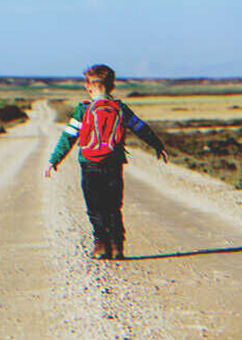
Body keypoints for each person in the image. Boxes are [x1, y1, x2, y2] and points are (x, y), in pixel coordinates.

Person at [44, 64, 168, 260]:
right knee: (113, 205)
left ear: (89, 86)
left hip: (89, 163)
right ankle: (117, 246)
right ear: (112, 85)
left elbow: (68, 137)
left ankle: (101, 246)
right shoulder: (120, 108)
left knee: (95, 207)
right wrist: (157, 145)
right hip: (114, 162)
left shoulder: (83, 109)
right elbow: (141, 128)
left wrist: (54, 160)